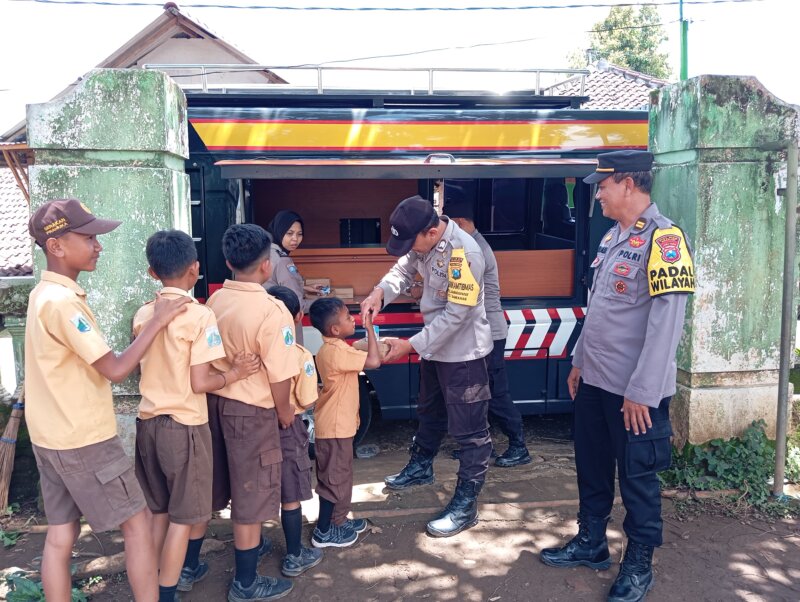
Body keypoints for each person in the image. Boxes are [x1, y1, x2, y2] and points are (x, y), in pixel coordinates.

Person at [539, 151, 694, 602]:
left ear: (628, 184)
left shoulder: (665, 240)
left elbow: (667, 325)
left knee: (638, 479)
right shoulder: (612, 237)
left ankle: (639, 564)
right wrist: (580, 361)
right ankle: (591, 542)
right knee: (591, 465)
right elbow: (601, 310)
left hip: (634, 392)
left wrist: (642, 393)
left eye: (603, 186)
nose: (598, 194)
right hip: (596, 380)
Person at [24, 199, 191, 602]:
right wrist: (158, 321)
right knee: (138, 523)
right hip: (84, 439)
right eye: (89, 238)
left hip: (50, 437)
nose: (98, 246)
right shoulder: (63, 303)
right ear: (56, 246)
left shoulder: (42, 294)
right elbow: (115, 369)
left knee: (61, 533)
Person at [132, 230, 261, 602]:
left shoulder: (144, 313)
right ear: (195, 268)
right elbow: (200, 381)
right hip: (184, 427)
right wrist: (234, 373)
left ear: (152, 272)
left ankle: (150, 588)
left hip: (147, 423)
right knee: (183, 518)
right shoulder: (200, 315)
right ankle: (166, 594)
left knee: (158, 512)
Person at [360, 195, 493, 538]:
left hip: (463, 354)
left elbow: (457, 316)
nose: (409, 249)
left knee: (470, 432)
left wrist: (410, 345)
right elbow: (403, 268)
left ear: (432, 232)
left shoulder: (465, 253)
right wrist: (379, 293)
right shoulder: (424, 242)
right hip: (434, 348)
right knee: (429, 411)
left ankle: (465, 505)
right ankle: (421, 467)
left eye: (412, 242)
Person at [196, 224, 298, 601]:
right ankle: (246, 582)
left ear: (228, 262)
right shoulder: (272, 311)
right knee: (250, 496)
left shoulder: (215, 302)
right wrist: (285, 412)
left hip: (215, 405)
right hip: (252, 413)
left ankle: (191, 566)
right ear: (267, 265)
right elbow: (280, 376)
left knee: (227, 485)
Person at [442, 185, 532, 468]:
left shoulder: (475, 249)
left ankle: (518, 446)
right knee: (478, 393)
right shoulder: (467, 245)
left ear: (459, 223)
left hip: (488, 332)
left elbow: (464, 294)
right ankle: (480, 446)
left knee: (495, 394)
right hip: (479, 331)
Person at [308, 297, 381, 547]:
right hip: (335, 428)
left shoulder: (332, 348)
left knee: (341, 476)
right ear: (335, 329)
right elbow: (374, 361)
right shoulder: (338, 352)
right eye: (348, 317)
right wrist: (370, 329)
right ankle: (323, 531)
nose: (353, 320)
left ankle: (338, 520)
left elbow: (359, 354)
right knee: (333, 479)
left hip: (338, 426)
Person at [266, 285, 324, 576]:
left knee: (255, 489)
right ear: (299, 316)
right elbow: (307, 397)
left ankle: (255, 545)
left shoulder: (254, 350)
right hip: (287, 426)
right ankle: (293, 555)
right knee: (290, 493)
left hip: (255, 425)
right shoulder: (300, 355)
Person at [265, 210, 328, 344]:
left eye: (299, 234)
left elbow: (274, 284)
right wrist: (323, 301)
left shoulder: (266, 252)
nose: (295, 239)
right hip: (286, 326)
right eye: (289, 233)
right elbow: (298, 305)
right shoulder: (282, 260)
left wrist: (303, 287)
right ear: (279, 231)